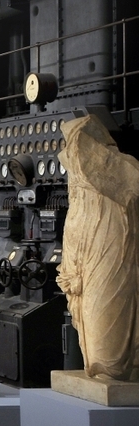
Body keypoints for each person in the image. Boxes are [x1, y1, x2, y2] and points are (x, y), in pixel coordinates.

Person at [57, 115, 139, 381]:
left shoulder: (123, 168)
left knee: (105, 318)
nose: (70, 151)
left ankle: (111, 370)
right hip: (82, 254)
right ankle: (98, 369)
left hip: (109, 248)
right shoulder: (75, 172)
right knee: (86, 320)